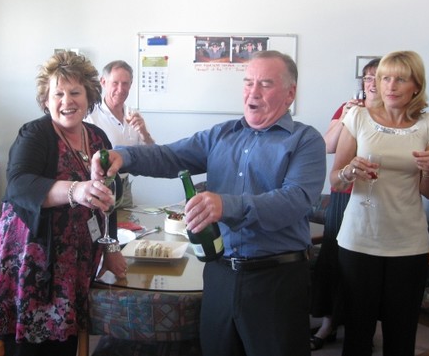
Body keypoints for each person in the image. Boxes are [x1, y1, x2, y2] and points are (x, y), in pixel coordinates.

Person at [92, 50, 327, 356]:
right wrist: (126, 156)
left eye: (265, 84)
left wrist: (226, 205)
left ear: (290, 93)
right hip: (220, 276)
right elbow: (169, 156)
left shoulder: (305, 141)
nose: (252, 92)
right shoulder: (222, 134)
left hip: (276, 281)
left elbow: (295, 201)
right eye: (248, 83)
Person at [0, 51, 127, 356]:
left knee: (64, 341)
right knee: (28, 346)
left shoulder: (98, 138)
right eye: (57, 93)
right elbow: (17, 185)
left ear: (89, 96)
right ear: (45, 100)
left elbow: (108, 195)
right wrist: (76, 191)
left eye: (75, 92)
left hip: (75, 261)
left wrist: (110, 249)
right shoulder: (35, 134)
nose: (66, 101)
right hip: (31, 260)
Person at [331, 50, 429, 356]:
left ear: (415, 86)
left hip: (409, 242)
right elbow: (335, 179)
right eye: (385, 78)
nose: (391, 86)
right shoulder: (357, 117)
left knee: (401, 332)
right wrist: (350, 171)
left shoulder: (427, 124)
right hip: (360, 238)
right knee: (358, 330)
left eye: (401, 79)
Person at [310, 57, 380, 350]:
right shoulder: (350, 108)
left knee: (368, 266)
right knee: (333, 259)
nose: (373, 84)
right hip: (344, 192)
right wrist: (346, 117)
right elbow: (326, 146)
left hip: (378, 199)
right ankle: (328, 325)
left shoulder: (400, 115)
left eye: (380, 77)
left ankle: (361, 325)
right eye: (367, 78)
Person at [85, 60, 154, 208]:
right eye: (115, 83)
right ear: (103, 82)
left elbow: (152, 153)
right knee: (105, 229)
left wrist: (144, 133)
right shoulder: (90, 116)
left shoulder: (133, 113)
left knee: (127, 228)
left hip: (125, 185)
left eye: (125, 83)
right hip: (100, 186)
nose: (120, 89)